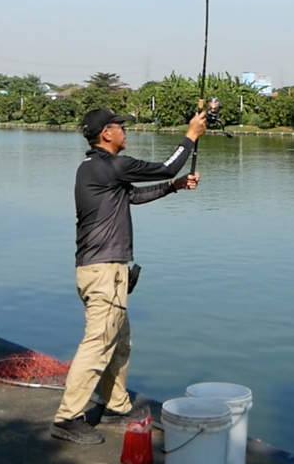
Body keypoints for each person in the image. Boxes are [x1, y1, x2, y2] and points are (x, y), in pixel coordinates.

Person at [50, 107, 207, 445]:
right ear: (105, 134)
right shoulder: (113, 165)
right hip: (105, 271)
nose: (125, 131)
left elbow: (132, 196)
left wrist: (174, 187)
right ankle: (67, 418)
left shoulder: (94, 170)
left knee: (119, 343)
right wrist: (191, 135)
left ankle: (116, 405)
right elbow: (166, 166)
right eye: (120, 127)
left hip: (105, 271)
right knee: (98, 344)